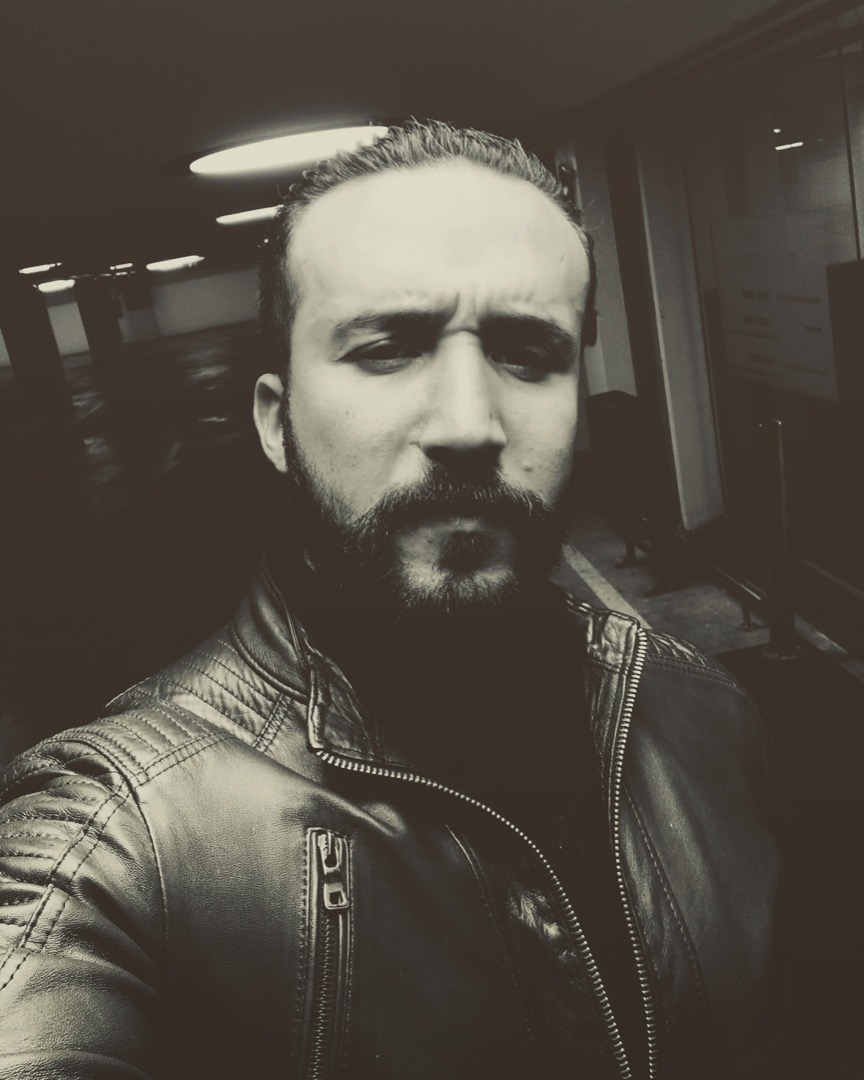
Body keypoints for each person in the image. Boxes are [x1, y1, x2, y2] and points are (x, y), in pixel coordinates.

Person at [0, 120, 784, 1079]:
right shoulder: (125, 838)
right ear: (277, 424)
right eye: (387, 347)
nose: (468, 423)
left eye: (528, 353)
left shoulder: (703, 709)